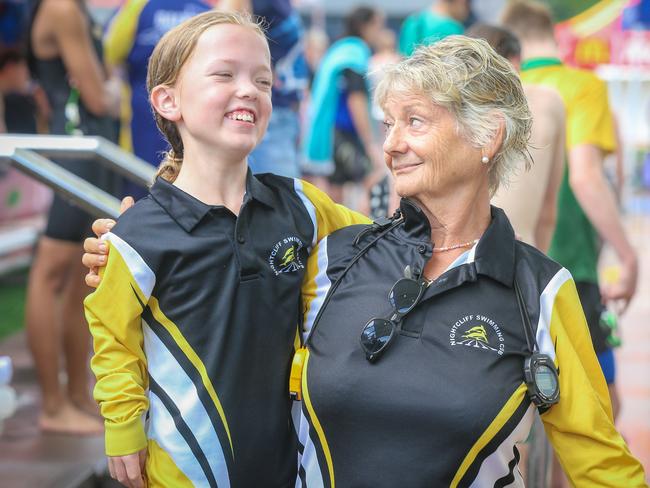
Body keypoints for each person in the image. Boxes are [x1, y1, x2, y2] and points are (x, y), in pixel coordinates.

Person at [291, 36, 647, 486]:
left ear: (488, 135)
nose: (391, 146)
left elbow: (602, 467)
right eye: (388, 125)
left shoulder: (539, 292)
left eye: (414, 122)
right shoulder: (335, 258)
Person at [83, 11, 367, 487]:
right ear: (168, 100)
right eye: (224, 74)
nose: (249, 89)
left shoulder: (301, 205)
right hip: (185, 467)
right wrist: (122, 429)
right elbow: (113, 337)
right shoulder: (140, 234)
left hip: (287, 459)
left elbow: (378, 242)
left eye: (264, 80)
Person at [501, 0, 638, 427]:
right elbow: (586, 177)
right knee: (597, 407)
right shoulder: (580, 87)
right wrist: (628, 255)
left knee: (535, 410)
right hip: (570, 270)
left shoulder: (505, 88)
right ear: (555, 33)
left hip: (511, 266)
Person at [24, 0, 120, 435]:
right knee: (51, 273)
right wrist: (115, 90)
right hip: (76, 153)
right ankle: (53, 404)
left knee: (83, 277)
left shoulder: (77, 10)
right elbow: (100, 97)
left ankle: (78, 395)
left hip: (89, 153)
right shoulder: (62, 8)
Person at [467, 23, 565, 252]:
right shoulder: (549, 102)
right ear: (515, 63)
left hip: (451, 260)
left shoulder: (444, 110)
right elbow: (548, 211)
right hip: (519, 255)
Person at [103, 0, 211, 200]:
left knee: (140, 200)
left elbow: (108, 52)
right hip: (156, 126)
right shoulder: (206, 12)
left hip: (147, 123)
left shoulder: (137, 7)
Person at [302, 6, 385, 206]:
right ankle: (367, 234)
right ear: (366, 26)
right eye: (378, 26)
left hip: (328, 132)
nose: (380, 32)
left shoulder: (338, 49)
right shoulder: (355, 53)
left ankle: (336, 235)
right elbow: (356, 99)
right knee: (374, 177)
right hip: (343, 133)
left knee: (336, 190)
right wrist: (369, 143)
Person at [398, 0, 469, 57]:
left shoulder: (413, 20)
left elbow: (402, 56)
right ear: (461, 1)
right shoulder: (453, 28)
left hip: (409, 73)